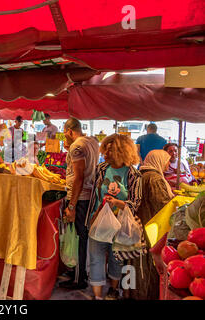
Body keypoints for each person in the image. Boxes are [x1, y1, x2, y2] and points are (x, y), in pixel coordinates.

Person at [87, 134, 142, 300]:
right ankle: (97, 296)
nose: (105, 154)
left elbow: (135, 203)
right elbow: (94, 195)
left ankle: (113, 289)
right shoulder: (101, 168)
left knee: (116, 258)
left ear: (121, 152)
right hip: (99, 221)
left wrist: (118, 202)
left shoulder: (133, 174)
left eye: (110, 151)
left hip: (120, 225)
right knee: (95, 257)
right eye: (105, 150)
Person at [126, 149, 174, 300]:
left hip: (136, 227)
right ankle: (144, 296)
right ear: (158, 160)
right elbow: (163, 205)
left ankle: (131, 294)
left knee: (135, 263)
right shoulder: (154, 179)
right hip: (149, 229)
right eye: (166, 161)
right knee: (145, 267)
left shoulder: (141, 175)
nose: (167, 165)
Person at [60, 118, 99, 290]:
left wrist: (72, 206)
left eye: (64, 133)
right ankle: (78, 271)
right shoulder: (92, 141)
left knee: (78, 238)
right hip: (89, 195)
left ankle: (79, 278)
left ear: (69, 131)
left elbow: (79, 177)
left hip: (80, 197)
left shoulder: (76, 146)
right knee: (82, 236)